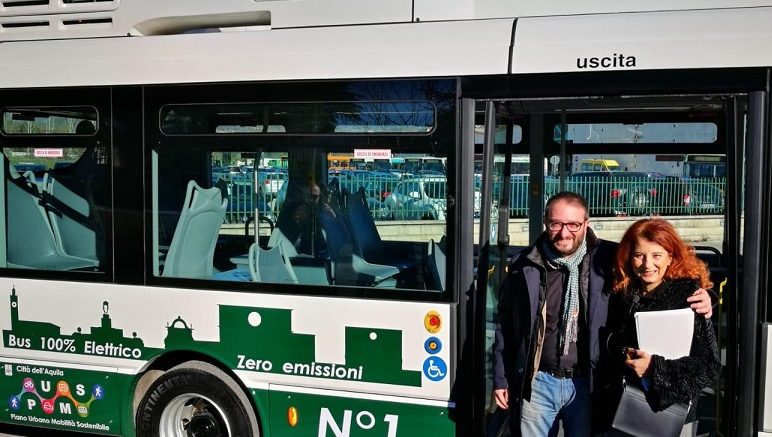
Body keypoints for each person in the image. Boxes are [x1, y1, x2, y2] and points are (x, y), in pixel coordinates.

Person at [491, 191, 713, 437]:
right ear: (546, 222)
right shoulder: (524, 264)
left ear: (586, 224)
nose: (564, 232)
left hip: (589, 384)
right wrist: (501, 378)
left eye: (573, 224)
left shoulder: (608, 259)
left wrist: (705, 297)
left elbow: (660, 278)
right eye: (556, 224)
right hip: (538, 383)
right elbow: (506, 326)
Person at [606, 218, 720, 436]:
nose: (647, 264)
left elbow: (709, 365)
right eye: (639, 255)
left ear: (671, 258)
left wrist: (654, 367)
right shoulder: (623, 295)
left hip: (673, 415)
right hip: (626, 410)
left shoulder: (689, 298)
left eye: (656, 255)